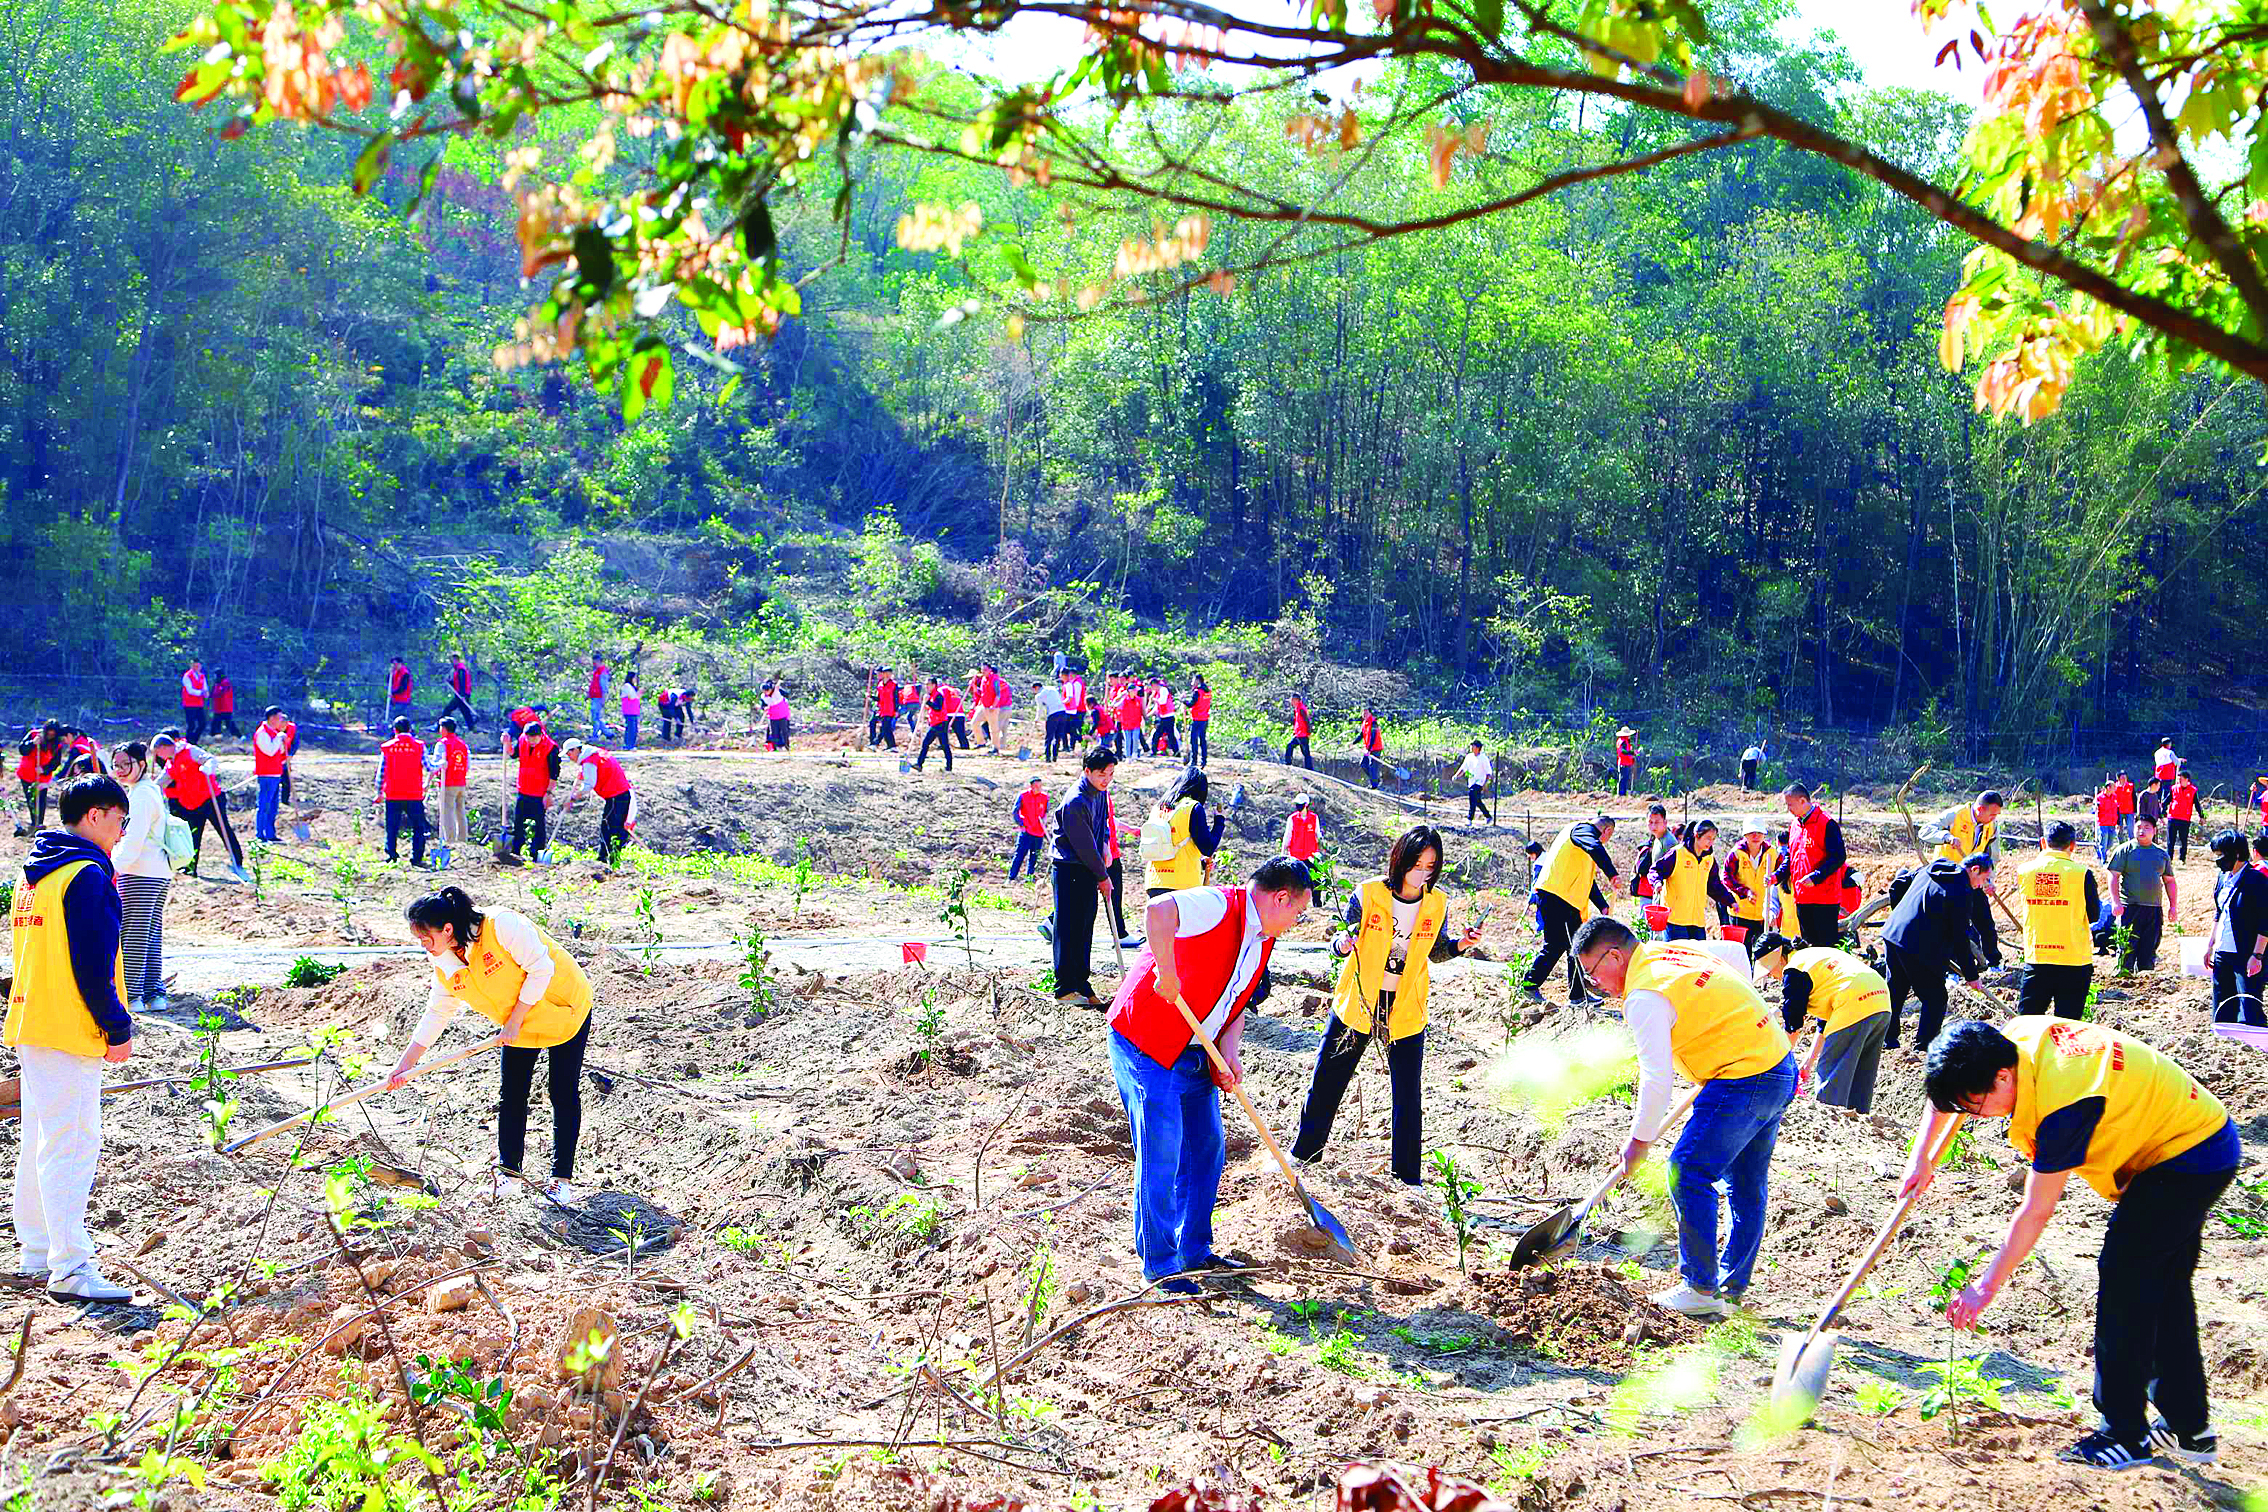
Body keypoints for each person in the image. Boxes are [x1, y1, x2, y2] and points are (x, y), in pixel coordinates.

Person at [1906, 1018, 2237, 1469]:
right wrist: (1922, 1156)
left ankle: (2124, 1434)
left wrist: (1986, 1287)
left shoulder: (2065, 1106)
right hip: (2193, 1135)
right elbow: (1950, 1093)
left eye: (1976, 1105)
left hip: (2189, 1157)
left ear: (2003, 1077)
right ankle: (2189, 1430)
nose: (1975, 1115)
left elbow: (2036, 1210)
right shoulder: (2007, 1042)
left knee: (2125, 1279)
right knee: (2161, 1288)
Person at [1107, 856, 1314, 1290]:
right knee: (1162, 1148)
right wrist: (1166, 971)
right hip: (1148, 1040)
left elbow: (1236, 1002)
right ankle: (1161, 1265)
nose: (1298, 921)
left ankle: (1193, 1248)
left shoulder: (1262, 938)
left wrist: (1229, 1053)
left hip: (1196, 1050)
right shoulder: (1220, 905)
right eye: (1298, 911)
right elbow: (1157, 912)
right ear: (1280, 898)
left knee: (1206, 1146)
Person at [1573, 918, 1794, 1318]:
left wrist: (1638, 1142)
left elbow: (1656, 1078)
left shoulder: (1644, 996)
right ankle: (1727, 1288)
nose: (1595, 985)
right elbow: (1733, 954)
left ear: (1615, 956)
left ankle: (1700, 1285)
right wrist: (1729, 1018)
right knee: (1745, 1183)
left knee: (1687, 1169)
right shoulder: (1668, 951)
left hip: (1743, 1077)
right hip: (1777, 1064)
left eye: (1592, 973)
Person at [5, 773, 137, 1304]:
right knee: (72, 1144)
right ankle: (70, 1268)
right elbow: (92, 964)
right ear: (97, 815)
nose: (121, 832)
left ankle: (38, 1251)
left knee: (42, 1136)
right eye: (120, 820)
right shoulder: (85, 876)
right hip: (69, 1027)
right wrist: (117, 1025)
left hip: (32, 1021)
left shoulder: (34, 873)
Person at [1292, 828, 1481, 1186]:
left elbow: (1436, 950)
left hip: (1405, 1007)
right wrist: (1343, 944)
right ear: (1400, 860)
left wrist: (1460, 944)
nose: (1421, 873)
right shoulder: (1369, 894)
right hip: (1360, 999)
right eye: (1415, 864)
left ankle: (1408, 1178)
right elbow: (1339, 937)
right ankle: (1304, 1154)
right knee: (1328, 1080)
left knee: (1407, 1093)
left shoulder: (1437, 902)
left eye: (1430, 866)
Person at [389, 888, 595, 1205]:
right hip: (520, 1021)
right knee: (512, 1094)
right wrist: (406, 1066)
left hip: (563, 1008)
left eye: (425, 937)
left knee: (561, 1091)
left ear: (447, 929)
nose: (423, 945)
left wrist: (513, 1022)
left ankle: (560, 1181)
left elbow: (542, 968)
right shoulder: (444, 962)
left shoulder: (500, 925)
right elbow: (438, 1012)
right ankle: (509, 1176)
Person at [1755, 934, 1891, 1114]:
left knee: (1830, 1073)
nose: (1772, 976)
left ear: (1780, 957)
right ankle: (1860, 1120)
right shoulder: (1814, 957)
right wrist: (1808, 1062)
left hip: (1853, 1001)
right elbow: (1824, 1023)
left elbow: (1793, 1023)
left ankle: (1829, 1118)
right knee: (1862, 1075)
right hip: (1881, 1000)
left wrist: (1780, 1062)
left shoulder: (1794, 968)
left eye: (1770, 970)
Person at [1881, 850, 1993, 1055]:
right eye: (1984, 879)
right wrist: (1971, 975)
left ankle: (1887, 1039)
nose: (1982, 885)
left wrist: (1901, 915)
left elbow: (1900, 883)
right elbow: (1960, 936)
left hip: (1893, 933)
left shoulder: (1934, 867)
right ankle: (1925, 1047)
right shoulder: (1961, 890)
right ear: (1974, 870)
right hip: (1917, 945)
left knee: (1895, 990)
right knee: (1936, 998)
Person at [1521, 815, 1621, 1003]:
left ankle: (1577, 995)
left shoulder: (1583, 846)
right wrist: (1612, 874)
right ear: (1607, 831)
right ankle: (1529, 985)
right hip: (1555, 897)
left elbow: (1587, 882)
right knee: (1555, 945)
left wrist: (1603, 906)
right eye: (1609, 836)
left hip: (1566, 901)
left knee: (1576, 946)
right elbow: (1596, 847)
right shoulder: (1582, 831)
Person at [1049, 747, 1120, 1009]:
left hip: (1088, 866)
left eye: (1111, 774)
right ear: (1087, 771)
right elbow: (1083, 845)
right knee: (1068, 927)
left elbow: (1101, 828)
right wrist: (1103, 877)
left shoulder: (1100, 793)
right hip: (1070, 867)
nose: (1107, 779)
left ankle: (1081, 982)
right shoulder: (1076, 801)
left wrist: (1105, 846)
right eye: (1102, 774)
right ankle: (1065, 987)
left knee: (1084, 926)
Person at [106, 745, 172, 1017]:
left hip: (140, 873)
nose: (120, 770)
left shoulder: (141, 796)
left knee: (132, 936)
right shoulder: (148, 791)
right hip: (156, 872)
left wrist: (109, 869)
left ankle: (132, 995)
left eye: (126, 764)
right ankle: (153, 993)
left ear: (141, 763)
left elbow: (132, 842)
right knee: (149, 935)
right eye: (116, 765)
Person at [2014, 822, 2102, 1022]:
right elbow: (2094, 916)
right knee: (2068, 1026)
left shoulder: (2024, 871)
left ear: (2043, 842)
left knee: (2027, 1024)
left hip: (2038, 957)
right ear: (2073, 845)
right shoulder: (2082, 873)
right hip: (2074, 959)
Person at [152, 732, 250, 884]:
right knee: (193, 836)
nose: (159, 756)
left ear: (165, 747)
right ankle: (190, 867)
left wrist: (208, 767)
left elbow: (210, 758)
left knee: (223, 829)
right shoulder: (171, 763)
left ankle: (237, 861)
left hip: (211, 799)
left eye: (159, 752)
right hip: (192, 803)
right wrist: (150, 789)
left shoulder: (189, 750)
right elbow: (162, 780)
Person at [2206, 830, 2268, 1032]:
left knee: (2249, 1007)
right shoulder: (2222, 878)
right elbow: (2219, 912)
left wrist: (2257, 955)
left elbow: (2265, 921)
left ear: (2237, 854)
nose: (2218, 860)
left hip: (2247, 953)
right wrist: (2210, 946)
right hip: (2223, 951)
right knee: (2222, 1005)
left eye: (2221, 855)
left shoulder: (2257, 881)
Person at [1776, 783, 1848, 949]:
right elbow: (1791, 857)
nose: (1788, 809)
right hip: (1802, 897)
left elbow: (1838, 857)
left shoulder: (1826, 823)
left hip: (1824, 899)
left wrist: (1816, 877)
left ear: (1802, 801)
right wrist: (1778, 875)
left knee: (1825, 949)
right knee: (1808, 947)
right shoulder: (1795, 825)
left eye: (1790, 805)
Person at [2104, 815, 2177, 972]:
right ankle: (2123, 977)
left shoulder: (2161, 854)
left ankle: (2146, 980)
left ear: (2154, 831)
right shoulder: (2125, 850)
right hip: (2130, 908)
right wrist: (2115, 902)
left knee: (2149, 949)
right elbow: (2113, 875)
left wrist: (2173, 906)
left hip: (2153, 909)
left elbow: (2169, 881)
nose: (2142, 831)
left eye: (2147, 827)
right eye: (2139, 827)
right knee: (2126, 947)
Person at [1141, 768, 1225, 898]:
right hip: (1182, 886)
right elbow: (1208, 847)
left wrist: (1200, 863)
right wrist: (1219, 820)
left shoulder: (1158, 808)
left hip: (1154, 882)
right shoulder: (1192, 807)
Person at [557, 737, 636, 866]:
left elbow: (589, 785)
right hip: (618, 795)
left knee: (609, 829)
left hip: (617, 796)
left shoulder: (589, 761)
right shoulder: (595, 753)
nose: (569, 757)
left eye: (569, 753)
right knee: (609, 828)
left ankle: (607, 860)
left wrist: (573, 798)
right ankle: (607, 859)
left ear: (576, 750)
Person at [1652, 819, 1734, 942]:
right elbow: (1656, 870)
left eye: (1713, 839)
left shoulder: (1709, 860)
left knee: (1696, 958)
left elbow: (1715, 885)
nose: (1710, 842)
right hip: (1675, 919)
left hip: (1697, 920)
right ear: (1697, 835)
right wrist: (1657, 883)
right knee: (1677, 959)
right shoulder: (1678, 853)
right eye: (1708, 838)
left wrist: (1731, 901)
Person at [375, 717, 432, 868]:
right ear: (410, 729)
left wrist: (379, 792)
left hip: (393, 793)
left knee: (392, 826)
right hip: (414, 793)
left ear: (395, 730)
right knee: (418, 826)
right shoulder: (419, 746)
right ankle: (417, 857)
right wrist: (441, 764)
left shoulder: (387, 747)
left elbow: (381, 772)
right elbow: (429, 766)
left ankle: (391, 855)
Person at [1720, 818, 1776, 953]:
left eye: (1759, 832)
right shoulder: (1736, 853)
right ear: (1745, 835)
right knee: (1740, 952)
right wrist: (1745, 892)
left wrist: (1774, 909)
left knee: (1761, 953)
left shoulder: (1773, 853)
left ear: (1764, 834)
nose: (1755, 836)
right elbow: (1726, 878)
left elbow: (1780, 875)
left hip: (1763, 914)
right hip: (1740, 912)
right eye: (1751, 833)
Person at [506, 716, 558, 860]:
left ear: (541, 735)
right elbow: (513, 754)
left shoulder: (550, 748)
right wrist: (507, 744)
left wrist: (548, 793)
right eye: (529, 738)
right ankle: (515, 851)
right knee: (518, 822)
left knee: (538, 825)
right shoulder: (523, 739)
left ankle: (536, 854)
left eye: (534, 738)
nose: (531, 741)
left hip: (539, 793)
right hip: (523, 789)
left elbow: (554, 774)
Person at [432, 716, 471, 861]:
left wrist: (435, 774)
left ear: (444, 728)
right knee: (460, 811)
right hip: (461, 782)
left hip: (447, 783)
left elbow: (436, 764)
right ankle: (463, 840)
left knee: (447, 811)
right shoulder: (463, 744)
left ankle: (450, 841)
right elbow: (467, 765)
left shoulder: (442, 744)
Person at [251, 707, 291, 843]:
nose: (281, 721)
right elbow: (269, 751)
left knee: (273, 806)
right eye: (280, 718)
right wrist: (279, 738)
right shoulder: (262, 733)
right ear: (272, 718)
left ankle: (270, 834)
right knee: (264, 804)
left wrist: (283, 741)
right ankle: (260, 834)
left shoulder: (273, 733)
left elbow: (279, 752)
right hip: (266, 774)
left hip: (275, 773)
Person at [1629, 803, 1672, 904]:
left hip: (1666, 896)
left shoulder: (1669, 842)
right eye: (1650, 822)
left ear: (1665, 822)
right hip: (1657, 892)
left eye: (1657, 822)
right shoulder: (1657, 838)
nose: (1653, 826)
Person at [1009, 776, 1049, 882]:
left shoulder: (1045, 797)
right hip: (1026, 831)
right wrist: (1021, 823)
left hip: (1039, 833)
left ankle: (1029, 878)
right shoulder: (1023, 796)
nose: (1039, 788)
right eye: (1036, 786)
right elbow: (1015, 811)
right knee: (1019, 855)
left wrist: (1044, 821)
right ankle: (1011, 877)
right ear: (1031, 786)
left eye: (1040, 786)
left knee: (1034, 856)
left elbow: (1046, 812)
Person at [15, 732, 56, 833]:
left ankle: (39, 823)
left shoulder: (55, 741)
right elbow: (22, 749)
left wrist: (44, 769)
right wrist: (32, 743)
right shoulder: (33, 734)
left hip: (42, 777)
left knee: (41, 799)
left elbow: (55, 761)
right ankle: (34, 822)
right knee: (30, 799)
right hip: (26, 775)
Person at [915, 677, 955, 772]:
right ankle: (919, 764)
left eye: (928, 684)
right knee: (926, 743)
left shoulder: (938, 696)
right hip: (935, 723)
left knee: (944, 745)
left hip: (941, 723)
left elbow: (938, 708)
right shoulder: (931, 695)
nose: (926, 686)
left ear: (934, 685)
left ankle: (949, 767)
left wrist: (928, 702)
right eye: (926, 684)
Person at [1455, 741, 1493, 826]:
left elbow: (1488, 773)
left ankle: (1469, 819)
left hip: (1479, 782)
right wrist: (1456, 775)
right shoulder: (1469, 757)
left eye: (1473, 746)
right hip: (1471, 782)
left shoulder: (1484, 758)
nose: (1472, 748)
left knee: (1472, 797)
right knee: (1477, 801)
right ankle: (1488, 816)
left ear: (1478, 748)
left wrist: (1485, 784)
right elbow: (1463, 768)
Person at [2166, 768, 2197, 861]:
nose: (2179, 780)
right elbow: (2167, 800)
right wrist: (2162, 810)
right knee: (2170, 840)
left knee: (2183, 840)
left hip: (2185, 819)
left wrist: (2202, 816)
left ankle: (2182, 859)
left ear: (2187, 779)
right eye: (2178, 778)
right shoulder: (2174, 788)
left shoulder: (2193, 790)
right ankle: (2169, 859)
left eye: (2181, 779)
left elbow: (2197, 804)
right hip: (2173, 817)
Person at [1037, 678, 1068, 761]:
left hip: (1053, 715)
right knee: (1058, 737)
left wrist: (1037, 719)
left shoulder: (1039, 696)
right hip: (1063, 713)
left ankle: (1047, 757)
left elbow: (1040, 709)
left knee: (1049, 737)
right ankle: (1055, 756)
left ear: (1036, 688)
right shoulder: (1052, 689)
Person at [443, 655, 478, 730]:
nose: (452, 662)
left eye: (453, 660)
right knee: (465, 712)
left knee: (448, 709)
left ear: (457, 660)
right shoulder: (457, 669)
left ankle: (442, 726)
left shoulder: (461, 670)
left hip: (461, 695)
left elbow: (462, 683)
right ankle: (471, 727)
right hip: (460, 694)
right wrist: (450, 682)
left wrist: (462, 695)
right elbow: (457, 683)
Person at [1283, 796, 1321, 865]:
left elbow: (1318, 835)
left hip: (1311, 857)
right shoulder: (1292, 818)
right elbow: (1287, 836)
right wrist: (1283, 854)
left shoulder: (1314, 818)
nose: (1298, 806)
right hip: (1295, 858)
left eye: (1300, 804)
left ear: (1306, 804)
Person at [179, 660, 209, 745]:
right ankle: (188, 742)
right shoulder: (187, 676)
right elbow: (190, 690)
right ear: (191, 666)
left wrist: (206, 693)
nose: (197, 668)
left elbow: (205, 687)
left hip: (199, 704)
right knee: (191, 725)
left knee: (202, 724)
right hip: (189, 704)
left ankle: (194, 741)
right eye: (195, 666)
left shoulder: (202, 676)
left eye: (198, 666)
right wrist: (201, 693)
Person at [1150, 681, 1181, 759]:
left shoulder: (1163, 690)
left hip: (1168, 717)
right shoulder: (1158, 693)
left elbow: (1162, 701)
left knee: (1170, 735)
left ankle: (1176, 752)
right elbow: (1157, 707)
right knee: (1158, 734)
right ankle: (1154, 750)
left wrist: (1154, 699)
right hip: (1163, 717)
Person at [207, 670, 240, 739]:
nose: (215, 677)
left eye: (216, 675)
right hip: (218, 708)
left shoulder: (225, 683)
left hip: (225, 707)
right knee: (215, 723)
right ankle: (213, 736)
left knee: (229, 723)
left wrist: (212, 695)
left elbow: (220, 692)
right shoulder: (217, 683)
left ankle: (239, 736)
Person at [2094, 781, 2121, 862]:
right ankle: (2103, 860)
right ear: (2108, 788)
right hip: (2103, 823)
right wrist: (2094, 808)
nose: (2115, 789)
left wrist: (2118, 822)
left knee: (2110, 843)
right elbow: (2093, 809)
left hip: (2112, 823)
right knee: (2104, 842)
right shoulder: (2099, 797)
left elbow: (2117, 810)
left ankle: (2099, 852)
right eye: (2114, 787)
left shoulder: (2115, 797)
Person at [1357, 707, 1384, 790]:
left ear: (1370, 714)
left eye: (1366, 713)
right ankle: (1376, 779)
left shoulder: (1374, 723)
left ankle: (1374, 786)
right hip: (1368, 748)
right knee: (1363, 764)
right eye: (1363, 713)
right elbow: (1362, 735)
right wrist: (1353, 743)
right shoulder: (1364, 723)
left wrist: (1369, 750)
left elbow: (1373, 737)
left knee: (1372, 767)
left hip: (1376, 748)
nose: (1364, 715)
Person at [586, 653, 611, 740]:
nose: (594, 664)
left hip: (599, 697)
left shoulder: (603, 672)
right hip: (594, 697)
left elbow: (604, 687)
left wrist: (604, 698)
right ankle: (608, 733)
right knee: (595, 716)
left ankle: (595, 735)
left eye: (595, 662)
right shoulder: (596, 672)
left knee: (595, 717)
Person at [1187, 676, 1211, 768]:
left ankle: (1194, 760)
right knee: (1203, 740)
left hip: (1197, 719)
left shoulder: (1197, 692)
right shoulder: (1208, 692)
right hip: (1205, 719)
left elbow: (1191, 704)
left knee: (1193, 740)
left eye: (1193, 681)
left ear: (1197, 681)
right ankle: (1204, 760)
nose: (1192, 683)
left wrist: (1183, 700)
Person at [1285, 693, 1313, 770]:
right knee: (1290, 746)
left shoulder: (1301, 709)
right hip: (1299, 734)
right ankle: (1288, 764)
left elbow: (1307, 721)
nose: (1292, 702)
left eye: (1293, 700)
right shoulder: (1298, 709)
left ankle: (1309, 770)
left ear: (1297, 700)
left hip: (1303, 735)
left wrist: (1308, 733)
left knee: (1305, 753)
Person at [762, 680, 791, 751]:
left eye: (767, 690)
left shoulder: (777, 692)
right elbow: (763, 705)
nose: (766, 692)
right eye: (764, 691)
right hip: (773, 716)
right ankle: (774, 748)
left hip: (782, 714)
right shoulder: (763, 697)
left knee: (784, 731)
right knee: (774, 733)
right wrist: (764, 708)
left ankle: (787, 747)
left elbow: (787, 695)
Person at [386, 655, 414, 727]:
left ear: (400, 663)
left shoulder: (405, 674)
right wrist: (389, 674)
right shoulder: (395, 673)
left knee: (400, 717)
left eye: (396, 664)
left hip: (403, 699)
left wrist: (392, 693)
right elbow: (389, 682)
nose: (394, 666)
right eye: (393, 664)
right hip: (395, 699)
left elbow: (402, 688)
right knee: (395, 716)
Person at [2152, 737, 2180, 806]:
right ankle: (2164, 808)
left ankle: (2157, 806)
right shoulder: (2170, 752)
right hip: (2167, 774)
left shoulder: (2157, 752)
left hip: (2158, 774)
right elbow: (2176, 762)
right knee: (2166, 792)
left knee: (2158, 791)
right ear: (2168, 744)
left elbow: (2163, 761)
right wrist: (2179, 761)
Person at [619, 672, 641, 750]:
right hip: (629, 710)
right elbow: (632, 697)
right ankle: (628, 745)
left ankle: (631, 744)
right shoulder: (626, 686)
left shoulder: (632, 687)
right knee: (631, 728)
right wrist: (638, 693)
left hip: (634, 711)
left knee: (634, 728)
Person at [1614, 726, 1637, 797]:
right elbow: (1623, 751)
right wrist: (1632, 752)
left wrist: (1632, 756)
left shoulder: (1624, 741)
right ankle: (1621, 794)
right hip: (1623, 763)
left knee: (1625, 778)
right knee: (1623, 779)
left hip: (1626, 762)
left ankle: (1623, 794)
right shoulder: (1623, 742)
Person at [2114, 771, 2136, 841]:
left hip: (2130, 811)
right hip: (2119, 811)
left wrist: (2135, 811)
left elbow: (2134, 798)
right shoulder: (2115, 787)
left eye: (2125, 777)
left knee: (2130, 830)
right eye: (2122, 778)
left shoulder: (2130, 786)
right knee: (2119, 830)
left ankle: (2131, 846)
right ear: (2118, 778)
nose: (2124, 779)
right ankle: (2121, 845)